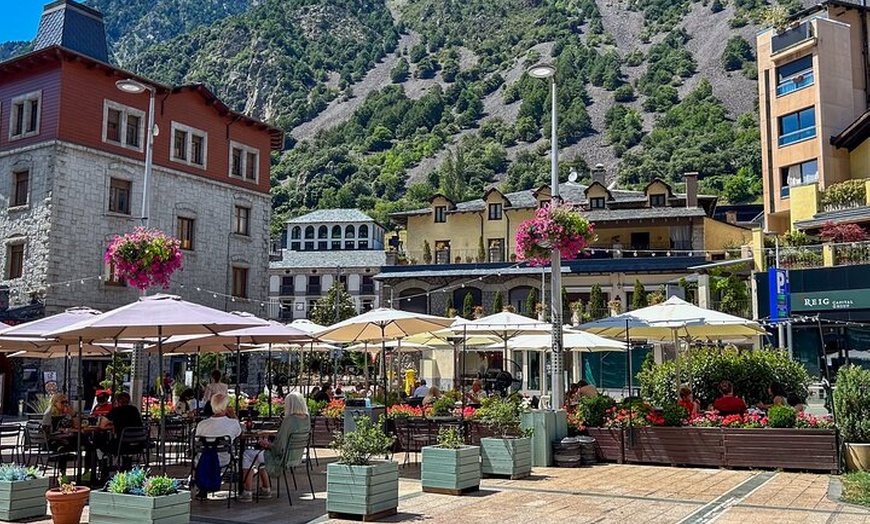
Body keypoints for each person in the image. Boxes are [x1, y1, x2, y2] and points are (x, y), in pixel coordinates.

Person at [239, 392, 310, 502]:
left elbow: (278, 447)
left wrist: (267, 444)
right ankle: (265, 488)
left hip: (281, 459)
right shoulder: (306, 419)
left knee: (247, 454)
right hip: (295, 457)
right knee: (259, 456)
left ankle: (247, 492)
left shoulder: (289, 420)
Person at [195, 393, 242, 470]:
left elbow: (196, 440)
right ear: (225, 407)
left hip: (203, 458)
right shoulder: (233, 423)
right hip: (223, 459)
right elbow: (239, 434)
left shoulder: (201, 424)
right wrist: (234, 416)